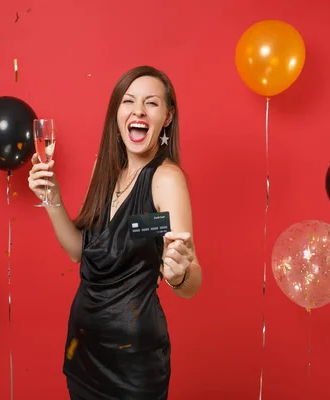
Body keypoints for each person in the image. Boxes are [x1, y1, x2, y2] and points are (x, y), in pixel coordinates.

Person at [27, 65, 202, 399]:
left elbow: (191, 279)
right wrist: (51, 197)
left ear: (167, 117)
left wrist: (179, 273)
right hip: (83, 349)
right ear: (116, 112)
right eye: (128, 101)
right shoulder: (106, 168)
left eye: (151, 103)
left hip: (133, 363)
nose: (138, 110)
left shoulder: (166, 179)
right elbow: (80, 250)